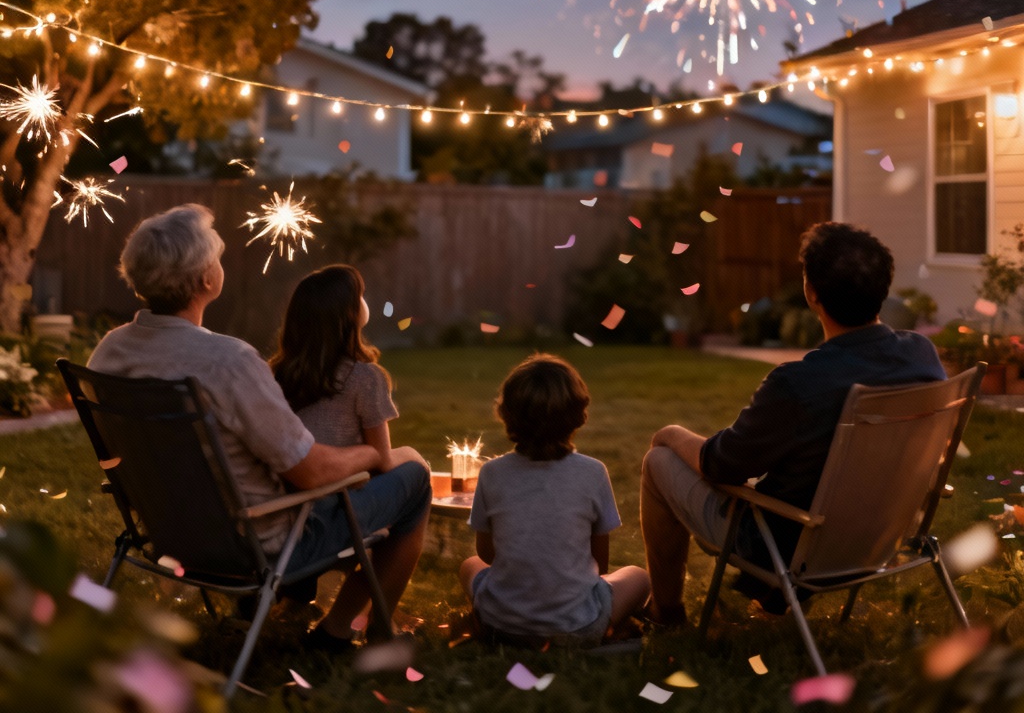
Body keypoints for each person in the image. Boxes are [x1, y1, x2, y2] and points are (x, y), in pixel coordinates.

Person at [88, 204, 431, 654]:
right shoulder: (228, 363)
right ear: (206, 280)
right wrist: (373, 456)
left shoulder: (109, 352)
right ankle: (339, 631)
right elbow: (308, 472)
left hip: (167, 531)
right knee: (415, 481)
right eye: (216, 259)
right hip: (257, 544)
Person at [640, 221, 947, 626]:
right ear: (882, 288)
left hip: (791, 547)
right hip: (880, 536)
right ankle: (771, 602)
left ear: (812, 293)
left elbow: (722, 466)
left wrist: (671, 434)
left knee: (659, 462)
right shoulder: (921, 355)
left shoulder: (798, 383)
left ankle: (666, 612)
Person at [459, 354, 650, 645]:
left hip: (501, 623)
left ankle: (505, 618)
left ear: (507, 413)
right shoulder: (593, 472)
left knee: (469, 564)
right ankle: (610, 625)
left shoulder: (491, 472)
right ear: (578, 413)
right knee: (638, 576)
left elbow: (486, 554)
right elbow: (599, 563)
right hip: (579, 625)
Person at [271, 264, 397, 464]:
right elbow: (382, 461)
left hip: (294, 487)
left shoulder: (276, 374)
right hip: (343, 488)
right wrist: (413, 457)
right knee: (416, 469)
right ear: (348, 313)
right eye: (359, 295)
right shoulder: (364, 377)